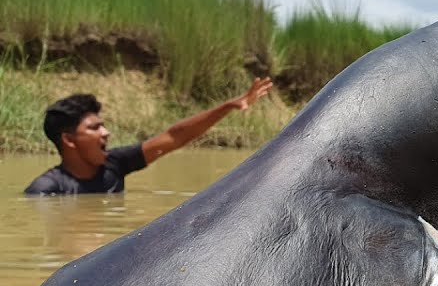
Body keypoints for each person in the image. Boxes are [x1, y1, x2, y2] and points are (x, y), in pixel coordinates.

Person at [23, 77, 274, 196]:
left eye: (103, 126)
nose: (106, 132)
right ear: (68, 140)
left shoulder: (115, 164)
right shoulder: (46, 190)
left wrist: (227, 107)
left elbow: (174, 137)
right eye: (94, 128)